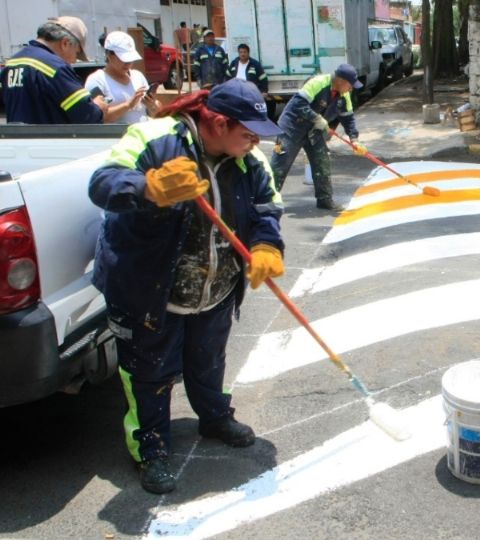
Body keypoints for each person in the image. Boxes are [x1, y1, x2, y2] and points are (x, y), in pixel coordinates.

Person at [88, 79, 284, 494]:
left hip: (213, 289)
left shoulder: (250, 160)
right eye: (247, 133)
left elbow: (268, 207)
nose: (254, 142)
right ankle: (152, 448)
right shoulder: (155, 137)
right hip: (149, 289)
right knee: (149, 372)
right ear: (215, 122)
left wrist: (266, 244)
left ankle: (213, 417)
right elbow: (102, 184)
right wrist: (148, 188)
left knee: (208, 358)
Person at [269, 63, 367, 210]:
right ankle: (267, 202)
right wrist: (316, 118)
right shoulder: (318, 83)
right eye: (350, 84)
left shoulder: (344, 94)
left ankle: (324, 200)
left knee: (322, 163)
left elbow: (348, 118)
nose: (351, 88)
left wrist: (354, 140)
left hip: (313, 130)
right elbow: (298, 104)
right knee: (280, 166)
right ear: (340, 81)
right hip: (292, 128)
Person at [0, 16, 108, 124]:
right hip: (48, 140)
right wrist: (98, 107)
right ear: (65, 43)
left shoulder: (11, 63)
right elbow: (88, 117)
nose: (74, 61)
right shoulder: (56, 68)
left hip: (14, 140)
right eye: (76, 53)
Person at [85, 31, 159, 123]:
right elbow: (98, 117)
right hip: (117, 136)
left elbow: (157, 112)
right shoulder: (97, 80)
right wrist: (128, 105)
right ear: (109, 55)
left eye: (130, 59)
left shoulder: (138, 76)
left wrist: (152, 105)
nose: (128, 63)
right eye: (123, 58)